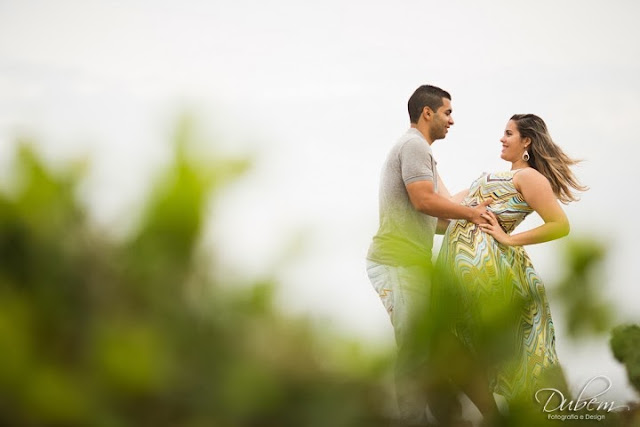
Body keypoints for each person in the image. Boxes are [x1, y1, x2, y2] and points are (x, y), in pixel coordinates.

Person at [433, 113, 586, 420]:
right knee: (456, 345)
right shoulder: (497, 178)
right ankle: (495, 416)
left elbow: (560, 225)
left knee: (470, 344)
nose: (502, 139)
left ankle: (502, 416)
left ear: (526, 141)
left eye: (508, 134)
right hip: (460, 264)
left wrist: (508, 238)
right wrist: (428, 158)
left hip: (486, 266)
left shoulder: (528, 177)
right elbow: (447, 207)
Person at [366, 84, 491, 425]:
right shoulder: (413, 146)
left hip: (413, 265)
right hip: (396, 261)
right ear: (427, 113)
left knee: (441, 345)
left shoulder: (422, 151)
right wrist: (471, 214)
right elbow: (425, 201)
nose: (452, 120)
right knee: (415, 351)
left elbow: (437, 219)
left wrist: (480, 215)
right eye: (447, 112)